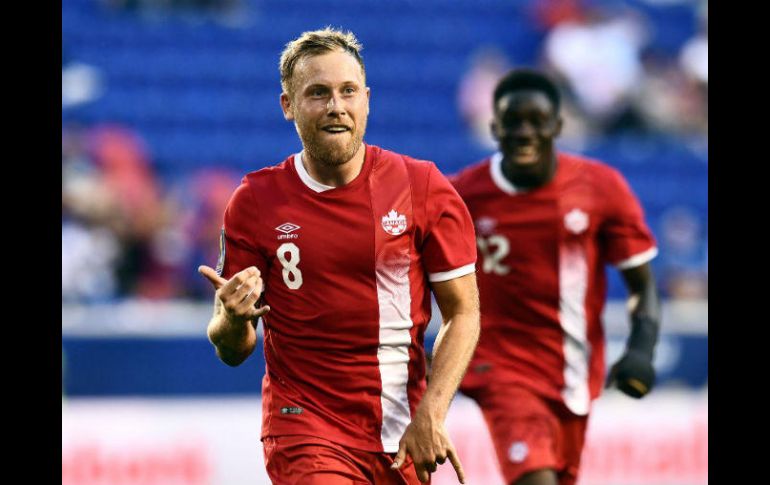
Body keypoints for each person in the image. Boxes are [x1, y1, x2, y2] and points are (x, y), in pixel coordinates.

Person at [197, 27, 480, 485]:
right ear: (288, 105)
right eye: (318, 93)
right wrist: (232, 318)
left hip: (399, 430)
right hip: (304, 425)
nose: (336, 106)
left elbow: (463, 312)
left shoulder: (422, 187)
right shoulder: (256, 200)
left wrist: (432, 412)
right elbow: (233, 348)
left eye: (348, 91)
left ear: (367, 99)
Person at [451, 69, 660, 485]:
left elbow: (642, 285)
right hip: (501, 371)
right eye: (513, 122)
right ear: (494, 126)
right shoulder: (460, 197)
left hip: (573, 374)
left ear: (558, 126)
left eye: (537, 121)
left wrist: (641, 348)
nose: (525, 132)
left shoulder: (601, 188)